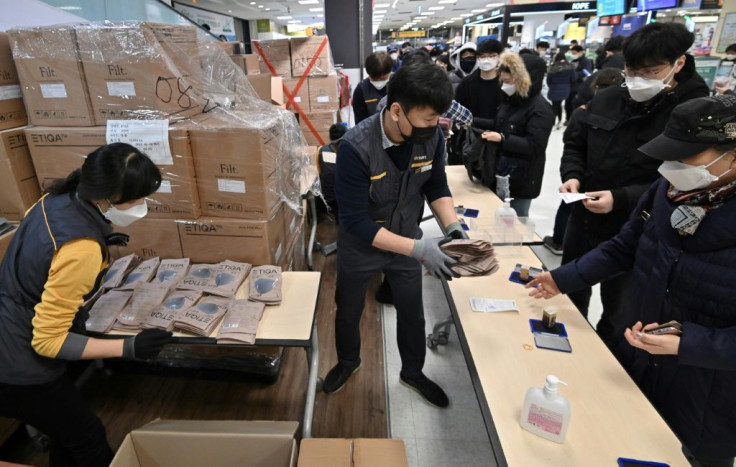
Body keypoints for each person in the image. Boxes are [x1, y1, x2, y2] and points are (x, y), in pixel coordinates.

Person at [528, 95, 736, 467]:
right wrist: (563, 277)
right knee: (614, 441)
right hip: (639, 350)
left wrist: (690, 344)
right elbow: (624, 247)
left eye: (686, 156)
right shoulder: (667, 191)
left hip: (707, 390)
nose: (671, 166)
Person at [0, 143, 173, 466]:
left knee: (68, 434)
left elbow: (44, 254)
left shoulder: (54, 200)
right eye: (136, 200)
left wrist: (100, 237)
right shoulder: (81, 249)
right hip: (15, 362)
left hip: (9, 319)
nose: (141, 206)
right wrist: (129, 347)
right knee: (87, 439)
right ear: (107, 198)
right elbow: (48, 341)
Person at [325, 61, 467, 408]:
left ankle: (413, 372)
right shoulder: (355, 148)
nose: (435, 125)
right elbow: (355, 221)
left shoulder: (432, 136)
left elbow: (436, 184)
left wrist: (454, 228)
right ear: (397, 110)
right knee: (348, 308)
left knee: (411, 310)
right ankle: (348, 362)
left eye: (438, 118)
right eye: (429, 118)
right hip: (362, 245)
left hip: (406, 237)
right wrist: (420, 250)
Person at [558, 22, 709, 347]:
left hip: (640, 230)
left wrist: (621, 198)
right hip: (584, 220)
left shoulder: (695, 114)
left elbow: (685, 179)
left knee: (619, 315)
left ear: (678, 63)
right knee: (568, 297)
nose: (638, 80)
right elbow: (575, 143)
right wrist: (572, 175)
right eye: (631, 70)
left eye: (651, 71)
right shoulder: (610, 97)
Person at [543, 68, 625, 256]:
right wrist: (572, 174)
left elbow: (569, 143)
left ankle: (558, 242)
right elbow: (572, 148)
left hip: (601, 190)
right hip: (583, 183)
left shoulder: (584, 111)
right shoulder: (585, 113)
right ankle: (560, 242)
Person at [481, 52, 555, 217]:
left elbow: (535, 145)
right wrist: (472, 121)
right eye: (503, 81)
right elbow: (497, 124)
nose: (504, 86)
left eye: (508, 82)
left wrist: (503, 139)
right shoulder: (512, 101)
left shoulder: (541, 109)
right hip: (502, 173)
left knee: (517, 222)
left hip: (523, 178)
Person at [455, 39, 504, 130]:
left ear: (500, 57)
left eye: (492, 56)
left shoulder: (505, 83)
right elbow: (458, 108)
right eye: (483, 56)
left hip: (498, 134)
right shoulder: (466, 83)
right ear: (477, 58)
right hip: (471, 134)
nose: (487, 60)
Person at [353, 52, 393, 124]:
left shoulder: (400, 84)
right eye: (375, 79)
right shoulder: (361, 90)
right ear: (368, 73)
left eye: (383, 79)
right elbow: (360, 123)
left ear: (389, 72)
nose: (379, 81)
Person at [318, 123, 348, 217]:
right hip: (346, 197)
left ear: (330, 136)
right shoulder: (349, 150)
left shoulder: (321, 151)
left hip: (327, 196)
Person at [546, 52, 576, 130]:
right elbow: (574, 78)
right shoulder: (570, 67)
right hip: (566, 89)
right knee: (558, 105)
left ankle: (552, 123)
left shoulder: (552, 67)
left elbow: (548, 80)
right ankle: (559, 122)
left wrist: (552, 86)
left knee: (555, 106)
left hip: (554, 89)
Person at [566, 45, 593, 123]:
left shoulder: (586, 61)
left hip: (579, 86)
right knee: (567, 104)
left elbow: (587, 72)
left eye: (574, 53)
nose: (573, 55)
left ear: (580, 52)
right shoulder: (573, 61)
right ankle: (568, 119)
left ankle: (573, 120)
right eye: (572, 53)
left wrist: (575, 75)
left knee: (575, 104)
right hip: (570, 85)